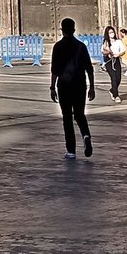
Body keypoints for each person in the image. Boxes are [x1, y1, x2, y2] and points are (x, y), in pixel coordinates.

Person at [50, 18, 95, 159]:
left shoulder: (57, 46)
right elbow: (89, 68)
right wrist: (92, 87)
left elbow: (54, 70)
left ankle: (71, 151)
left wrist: (52, 87)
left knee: (67, 118)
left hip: (64, 85)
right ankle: (86, 135)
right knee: (80, 114)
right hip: (79, 85)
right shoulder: (81, 46)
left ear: (61, 30)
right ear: (74, 30)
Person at [101, 25, 124, 103]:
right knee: (113, 78)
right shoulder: (106, 42)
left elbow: (123, 50)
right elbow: (103, 51)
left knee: (118, 78)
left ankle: (112, 90)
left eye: (112, 32)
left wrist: (118, 54)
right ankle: (116, 95)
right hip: (109, 61)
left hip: (116, 60)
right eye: (110, 32)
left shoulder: (118, 41)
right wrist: (108, 52)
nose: (112, 34)